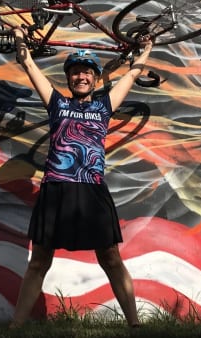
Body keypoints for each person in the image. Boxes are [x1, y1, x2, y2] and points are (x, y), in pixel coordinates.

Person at [9, 26, 153, 328]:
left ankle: (135, 325)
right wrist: (20, 39)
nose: (81, 76)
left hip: (92, 190)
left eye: (87, 72)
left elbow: (130, 75)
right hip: (56, 190)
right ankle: (15, 328)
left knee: (111, 259)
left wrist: (147, 49)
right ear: (69, 78)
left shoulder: (104, 107)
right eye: (75, 72)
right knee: (39, 262)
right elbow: (29, 64)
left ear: (95, 77)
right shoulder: (57, 104)